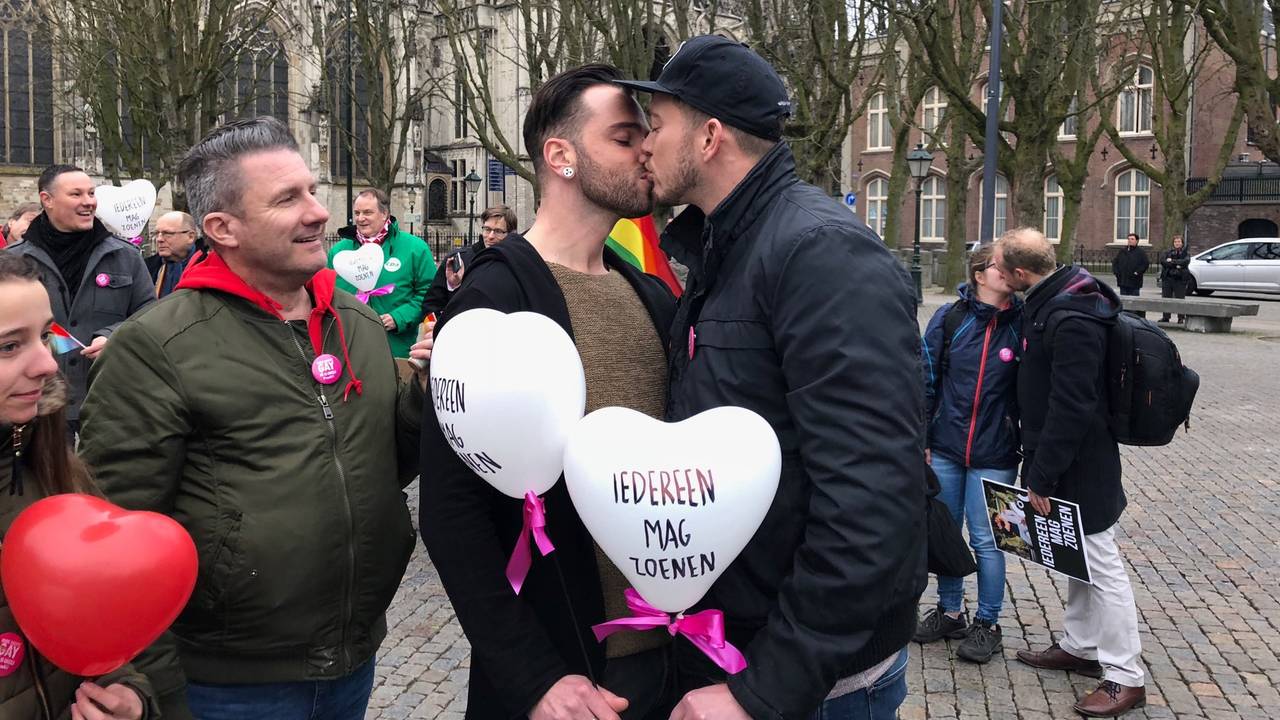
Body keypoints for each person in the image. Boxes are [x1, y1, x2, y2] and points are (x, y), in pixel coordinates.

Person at [77, 117, 426, 720]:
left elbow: (381, 468)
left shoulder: (357, 323)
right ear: (222, 228)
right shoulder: (157, 345)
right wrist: (146, 685)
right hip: (225, 686)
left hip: (353, 660)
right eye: (288, 199)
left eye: (313, 191)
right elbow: (115, 535)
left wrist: (425, 400)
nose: (319, 212)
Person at [620, 35, 927, 720]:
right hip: (743, 647)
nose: (644, 143)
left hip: (810, 687)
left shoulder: (819, 253)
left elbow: (870, 495)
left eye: (658, 123)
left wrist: (768, 690)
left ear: (708, 136)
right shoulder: (730, 245)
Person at [419, 64, 676, 720]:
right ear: (561, 156)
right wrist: (534, 678)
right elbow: (452, 516)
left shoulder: (651, 294)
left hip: (669, 666)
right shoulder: (491, 300)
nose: (646, 149)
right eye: (623, 137)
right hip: (563, 681)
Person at [994, 227, 1146, 718]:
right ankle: (1080, 646)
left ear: (1021, 273)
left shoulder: (1072, 316)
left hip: (1081, 464)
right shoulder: (1058, 296)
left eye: (1000, 266)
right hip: (1064, 461)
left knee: (1103, 567)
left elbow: (1073, 404)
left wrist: (1042, 476)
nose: (995, 273)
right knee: (1078, 555)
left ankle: (1126, 676)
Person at [0, 252, 159, 720]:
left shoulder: (55, 471)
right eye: (8, 347)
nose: (47, 365)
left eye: (45, 336)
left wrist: (131, 697)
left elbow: (107, 629)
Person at [915, 244, 1022, 664]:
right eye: (1000, 266)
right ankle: (950, 610)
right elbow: (925, 378)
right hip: (945, 446)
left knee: (991, 539)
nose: (1009, 272)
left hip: (996, 452)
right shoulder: (950, 318)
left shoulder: (1024, 321)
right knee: (946, 531)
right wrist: (922, 437)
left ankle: (988, 622)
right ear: (980, 274)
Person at [4, 166, 155, 432]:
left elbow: (149, 313)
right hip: (37, 400)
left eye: (91, 193)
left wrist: (114, 336)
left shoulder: (124, 256)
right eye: (76, 194)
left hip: (106, 398)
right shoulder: (14, 261)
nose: (89, 202)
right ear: (46, 200)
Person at [328, 188, 436, 357]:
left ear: (384, 214)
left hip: (394, 346)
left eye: (368, 212)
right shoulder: (338, 253)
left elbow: (429, 293)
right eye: (357, 213)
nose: (360, 218)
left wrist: (399, 317)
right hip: (349, 346)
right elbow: (327, 295)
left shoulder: (415, 248)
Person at [421, 204, 516, 319]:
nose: (490, 236)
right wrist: (452, 286)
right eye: (487, 229)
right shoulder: (458, 259)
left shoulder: (516, 264)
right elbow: (431, 305)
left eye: (498, 231)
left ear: (511, 234)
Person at [145, 211, 200, 298]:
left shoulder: (207, 267)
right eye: (156, 233)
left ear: (190, 237)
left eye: (167, 233)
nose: (159, 239)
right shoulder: (147, 268)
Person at [1158, 234, 1190, 323]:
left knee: (1180, 298)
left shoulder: (1186, 253)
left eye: (1179, 241)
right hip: (1167, 278)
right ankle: (1166, 317)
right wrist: (1177, 264)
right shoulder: (1167, 252)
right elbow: (1163, 261)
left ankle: (1181, 318)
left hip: (1180, 278)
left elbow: (1185, 262)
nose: (1177, 243)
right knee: (1166, 298)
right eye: (1175, 241)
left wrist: (1172, 261)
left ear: (1182, 243)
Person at [1111, 232, 1149, 297]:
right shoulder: (1122, 251)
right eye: (1128, 239)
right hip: (1123, 281)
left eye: (1132, 239)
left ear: (1137, 241)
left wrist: (1137, 272)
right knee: (1124, 300)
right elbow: (1115, 262)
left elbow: (1145, 264)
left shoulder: (1140, 252)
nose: (1130, 241)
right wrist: (1117, 273)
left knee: (1134, 301)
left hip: (1135, 281)